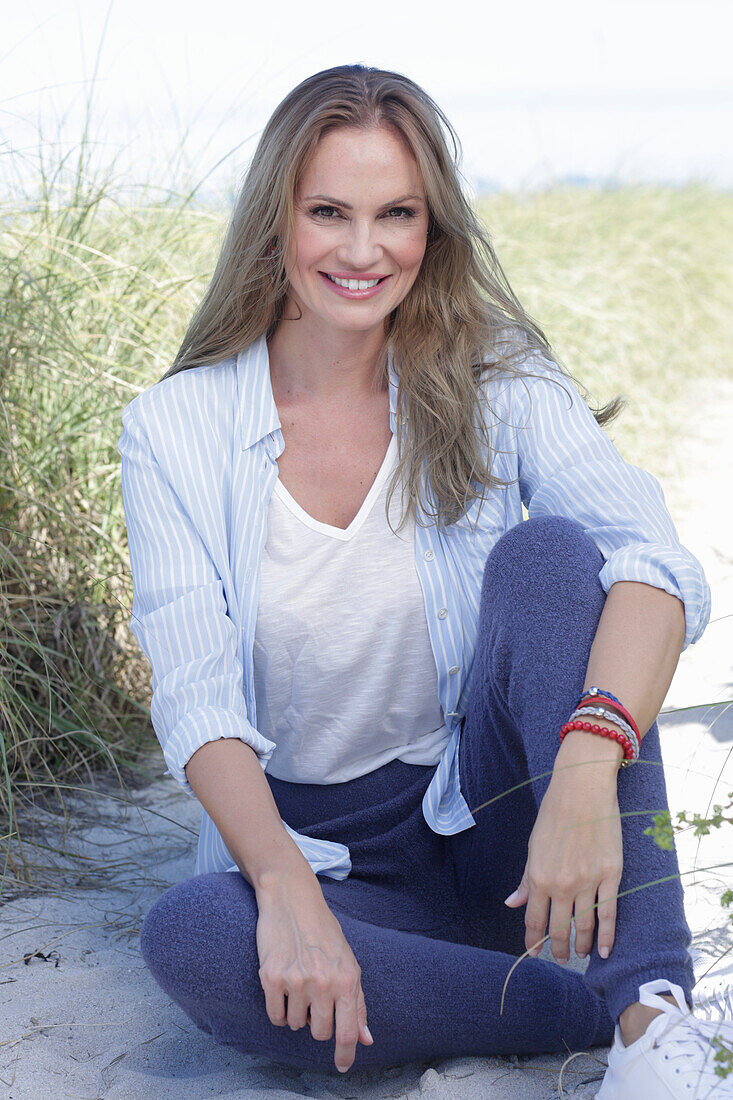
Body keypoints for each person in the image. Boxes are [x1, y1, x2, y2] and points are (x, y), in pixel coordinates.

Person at [117, 64, 731, 1096]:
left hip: (500, 822)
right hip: (332, 865)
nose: (363, 251)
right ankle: (564, 1003)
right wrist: (281, 883)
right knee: (192, 936)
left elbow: (657, 564)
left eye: (395, 214)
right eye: (329, 212)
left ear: (431, 226)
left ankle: (649, 1018)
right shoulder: (174, 428)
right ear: (276, 219)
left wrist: (581, 774)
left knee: (549, 559)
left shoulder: (498, 377)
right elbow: (194, 689)